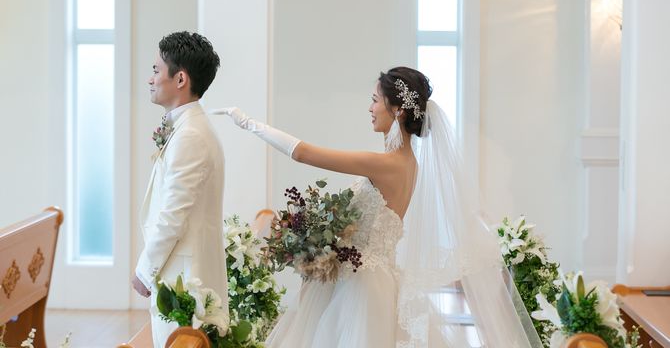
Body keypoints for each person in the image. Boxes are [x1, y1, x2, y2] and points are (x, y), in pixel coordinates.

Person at [214, 66, 541, 347]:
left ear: (397, 110)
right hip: (366, 279)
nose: (369, 108)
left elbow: (303, 153)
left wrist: (248, 123)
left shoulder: (388, 164)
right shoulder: (407, 163)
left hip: (362, 287)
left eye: (374, 100)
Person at [133, 31, 228, 347]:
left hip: (184, 278)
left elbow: (173, 215)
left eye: (156, 70)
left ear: (181, 79)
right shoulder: (189, 127)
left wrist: (144, 271)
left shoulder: (190, 135)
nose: (150, 79)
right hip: (182, 273)